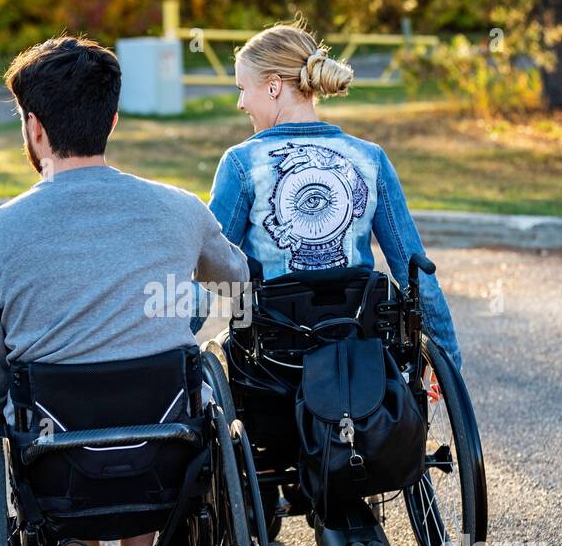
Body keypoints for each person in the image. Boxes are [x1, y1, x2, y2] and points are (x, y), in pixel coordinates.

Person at [0, 36, 248, 546]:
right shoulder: (178, 210)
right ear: (112, 120)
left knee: (51, 423)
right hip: (165, 467)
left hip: (59, 472)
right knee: (160, 383)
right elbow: (236, 282)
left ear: (34, 130)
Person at [197, 21, 461, 370]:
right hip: (358, 347)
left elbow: (210, 271)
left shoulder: (242, 163)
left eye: (243, 89)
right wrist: (448, 361)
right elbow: (414, 269)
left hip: (273, 357)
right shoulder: (370, 158)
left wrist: (167, 347)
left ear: (274, 87)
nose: (241, 103)